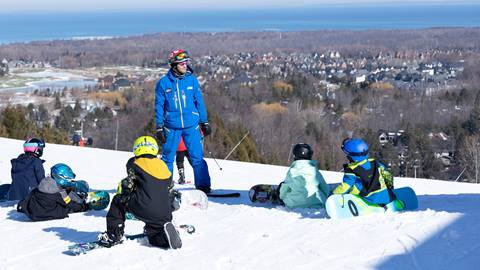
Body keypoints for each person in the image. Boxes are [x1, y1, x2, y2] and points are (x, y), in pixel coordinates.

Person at [97, 136, 182, 249]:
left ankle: (114, 235)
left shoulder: (134, 163)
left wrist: (126, 193)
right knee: (154, 234)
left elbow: (129, 184)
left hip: (145, 207)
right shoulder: (163, 166)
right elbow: (169, 189)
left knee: (118, 201)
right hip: (165, 212)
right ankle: (164, 238)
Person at [155, 49, 212, 193]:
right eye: (182, 63)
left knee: (197, 157)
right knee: (167, 158)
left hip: (191, 125)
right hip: (171, 126)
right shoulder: (163, 83)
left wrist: (204, 121)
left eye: (186, 62)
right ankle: (165, 188)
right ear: (174, 65)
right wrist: (159, 127)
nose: (185, 65)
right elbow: (159, 106)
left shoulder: (191, 80)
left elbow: (199, 101)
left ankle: (203, 186)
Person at [332, 138, 403, 209]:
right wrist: (390, 187)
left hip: (367, 200)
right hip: (385, 196)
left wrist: (333, 195)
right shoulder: (376, 163)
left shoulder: (351, 170)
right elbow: (388, 176)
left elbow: (346, 186)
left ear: (351, 157)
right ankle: (394, 202)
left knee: (353, 190)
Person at [17, 164, 88, 221]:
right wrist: (84, 207)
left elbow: (30, 195)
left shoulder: (43, 182)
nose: (69, 181)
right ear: (60, 177)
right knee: (66, 207)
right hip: (44, 214)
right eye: (68, 179)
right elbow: (69, 203)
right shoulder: (59, 193)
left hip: (32, 213)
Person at [276, 143, 330, 209]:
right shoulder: (314, 170)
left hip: (294, 204)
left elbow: (285, 188)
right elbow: (324, 188)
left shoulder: (292, 171)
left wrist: (281, 197)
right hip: (316, 203)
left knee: (282, 185)